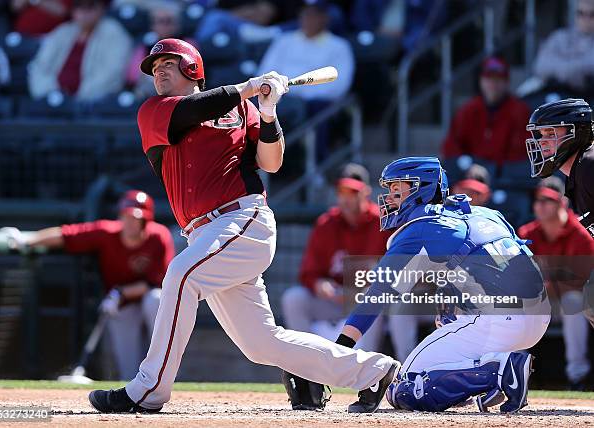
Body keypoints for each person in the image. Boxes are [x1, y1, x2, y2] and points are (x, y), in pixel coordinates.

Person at [87, 37, 400, 414]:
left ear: (192, 69)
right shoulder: (155, 111)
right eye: (155, 68)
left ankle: (149, 388)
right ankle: (374, 371)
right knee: (261, 344)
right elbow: (193, 110)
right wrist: (247, 88)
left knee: (182, 277)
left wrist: (267, 114)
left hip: (242, 220)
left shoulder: (240, 109)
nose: (159, 72)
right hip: (204, 234)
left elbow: (271, 162)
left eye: (168, 64)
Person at [334, 156, 551, 413]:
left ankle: (499, 371)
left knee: (403, 389)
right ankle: (474, 384)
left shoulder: (420, 228)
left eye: (396, 189)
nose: (389, 198)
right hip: (538, 315)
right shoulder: (487, 213)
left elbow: (377, 296)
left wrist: (336, 352)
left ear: (421, 188)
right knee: (447, 307)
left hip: (499, 319)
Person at [4, 190, 175, 380]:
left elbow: (160, 283)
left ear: (146, 220)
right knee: (129, 367)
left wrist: (122, 292)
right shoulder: (107, 232)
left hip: (146, 301)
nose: (130, 222)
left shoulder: (159, 236)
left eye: (135, 218)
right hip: (121, 306)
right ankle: (135, 391)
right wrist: (28, 240)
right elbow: (66, 235)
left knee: (156, 299)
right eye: (125, 216)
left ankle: (170, 377)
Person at [281, 163, 390, 352]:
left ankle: (368, 373)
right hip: (335, 299)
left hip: (367, 300)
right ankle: (308, 367)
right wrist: (319, 284)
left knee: (373, 300)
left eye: (352, 193)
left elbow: (396, 271)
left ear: (366, 193)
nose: (346, 199)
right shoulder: (327, 224)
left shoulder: (383, 222)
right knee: (294, 298)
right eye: (342, 192)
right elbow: (309, 272)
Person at [518, 178, 594, 390]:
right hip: (539, 300)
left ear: (562, 203)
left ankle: (577, 376)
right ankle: (516, 373)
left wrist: (549, 283)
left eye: (547, 200)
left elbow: (581, 282)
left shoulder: (581, 234)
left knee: (574, 302)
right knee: (519, 305)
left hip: (567, 301)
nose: (540, 205)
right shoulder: (527, 234)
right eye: (538, 200)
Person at [257, 0, 355, 159]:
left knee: (317, 111)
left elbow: (339, 86)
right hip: (282, 98)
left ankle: (313, 168)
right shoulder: (284, 41)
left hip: (315, 103)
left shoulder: (339, 46)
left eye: (315, 15)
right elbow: (265, 73)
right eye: (306, 14)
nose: (309, 19)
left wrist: (298, 93)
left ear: (325, 18)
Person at [28, 0, 132, 102]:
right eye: (78, 5)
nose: (84, 11)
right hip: (53, 102)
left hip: (91, 107)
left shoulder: (114, 34)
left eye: (90, 5)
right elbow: (39, 67)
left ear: (102, 9)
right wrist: (52, 95)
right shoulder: (62, 32)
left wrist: (79, 99)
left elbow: (112, 75)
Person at [442, 56, 531, 168]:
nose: (493, 84)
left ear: (506, 82)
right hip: (472, 175)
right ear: (481, 81)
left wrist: (494, 169)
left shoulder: (519, 111)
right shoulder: (468, 110)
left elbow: (520, 154)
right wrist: (467, 167)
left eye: (498, 79)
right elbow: (451, 147)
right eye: (489, 79)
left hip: (505, 179)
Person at [526, 98, 594, 236]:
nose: (541, 142)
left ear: (576, 133)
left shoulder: (589, 167)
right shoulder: (578, 170)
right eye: (541, 135)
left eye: (551, 134)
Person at [532, 0, 594, 98]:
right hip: (556, 92)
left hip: (586, 96)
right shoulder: (559, 36)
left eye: (591, 14)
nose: (586, 18)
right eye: (581, 13)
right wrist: (575, 69)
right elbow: (540, 66)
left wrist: (559, 65)